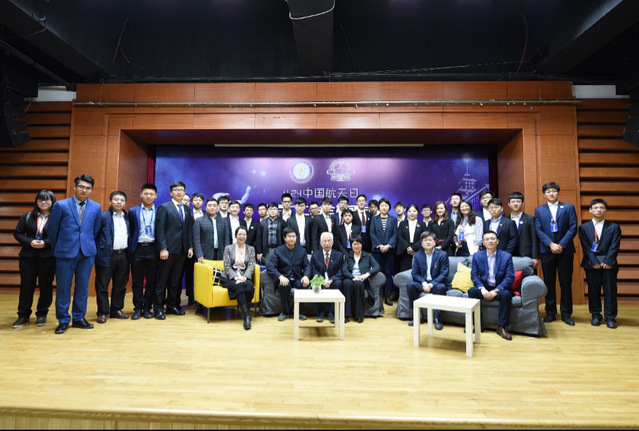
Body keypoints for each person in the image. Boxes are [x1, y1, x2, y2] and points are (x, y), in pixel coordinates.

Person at [48, 174, 102, 334]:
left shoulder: (96, 207)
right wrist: (60, 245)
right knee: (63, 288)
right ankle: (63, 320)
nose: (84, 190)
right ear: (75, 187)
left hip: (86, 253)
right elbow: (52, 229)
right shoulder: (61, 205)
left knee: (83, 287)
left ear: (91, 190)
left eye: (88, 188)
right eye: (81, 187)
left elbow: (95, 229)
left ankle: (78, 318)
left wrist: (86, 243)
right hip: (65, 252)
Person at [534, 181, 578, 326]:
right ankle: (550, 312)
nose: (551, 193)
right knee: (549, 282)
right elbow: (538, 229)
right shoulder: (539, 210)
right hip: (547, 251)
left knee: (566, 283)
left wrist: (561, 245)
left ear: (558, 192)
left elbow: (573, 227)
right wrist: (550, 244)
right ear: (544, 194)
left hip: (565, 251)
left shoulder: (569, 207)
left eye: (553, 191)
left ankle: (566, 314)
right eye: (548, 191)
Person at [12, 190, 56, 329]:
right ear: (36, 201)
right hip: (28, 257)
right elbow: (18, 233)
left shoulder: (57, 218)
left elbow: (61, 235)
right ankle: (23, 316)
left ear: (52, 202)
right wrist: (30, 241)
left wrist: (46, 243)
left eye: (47, 199)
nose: (44, 202)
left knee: (46, 286)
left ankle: (42, 314)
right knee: (26, 286)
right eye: (41, 199)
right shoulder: (27, 216)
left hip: (48, 257)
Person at [579, 199, 622, 329]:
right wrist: (594, 262)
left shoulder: (614, 227)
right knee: (593, 290)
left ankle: (610, 317)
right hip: (591, 264)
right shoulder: (583, 227)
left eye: (602, 207)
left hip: (609, 264)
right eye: (596, 207)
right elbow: (586, 247)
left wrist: (608, 261)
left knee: (610, 291)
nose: (599, 210)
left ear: (605, 210)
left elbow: (615, 246)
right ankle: (596, 315)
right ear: (590, 210)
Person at [154, 181, 194, 320]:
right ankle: (158, 308)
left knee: (175, 281)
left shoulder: (187, 209)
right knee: (162, 280)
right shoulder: (164, 207)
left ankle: (172, 306)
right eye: (176, 190)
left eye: (181, 190)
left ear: (184, 192)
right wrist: (163, 248)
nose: (179, 192)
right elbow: (160, 230)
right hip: (168, 251)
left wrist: (190, 247)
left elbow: (188, 230)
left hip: (182, 251)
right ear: (171, 193)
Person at [468, 230, 515, 340]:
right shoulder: (477, 256)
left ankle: (502, 327)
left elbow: (510, 277)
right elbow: (474, 275)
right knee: (472, 291)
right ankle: (477, 324)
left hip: (499, 288)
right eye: (487, 239)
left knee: (506, 295)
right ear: (483, 243)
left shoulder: (506, 256)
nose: (490, 241)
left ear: (497, 241)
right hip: (484, 287)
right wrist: (482, 289)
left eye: (492, 239)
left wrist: (496, 291)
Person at [94, 191, 130, 323]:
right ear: (110, 201)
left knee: (120, 284)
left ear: (125, 203)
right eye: (116, 199)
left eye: (122, 200)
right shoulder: (103, 216)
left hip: (123, 255)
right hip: (106, 255)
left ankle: (116, 310)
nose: (119, 202)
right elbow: (94, 235)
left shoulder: (127, 217)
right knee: (102, 285)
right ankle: (103, 312)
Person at [406, 232, 450, 328]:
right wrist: (423, 283)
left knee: (441, 287)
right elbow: (414, 273)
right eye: (425, 240)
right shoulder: (417, 255)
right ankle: (417, 316)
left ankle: (437, 318)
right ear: (422, 243)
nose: (428, 242)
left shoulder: (442, 255)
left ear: (435, 242)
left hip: (436, 283)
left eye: (430, 240)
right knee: (410, 285)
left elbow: (444, 273)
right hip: (423, 282)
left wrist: (431, 285)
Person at [266, 227, 311, 321]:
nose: (291, 238)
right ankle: (285, 312)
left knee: (304, 284)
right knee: (284, 285)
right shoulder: (278, 251)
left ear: (296, 237)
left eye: (293, 236)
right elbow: (271, 267)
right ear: (284, 238)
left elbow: (307, 266)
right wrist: (280, 277)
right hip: (285, 278)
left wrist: (306, 276)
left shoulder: (302, 251)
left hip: (298, 278)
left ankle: (298, 311)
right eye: (289, 236)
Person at [128, 183, 159, 320]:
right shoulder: (133, 211)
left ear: (156, 196)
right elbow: (131, 231)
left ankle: (147, 308)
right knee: (137, 281)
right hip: (138, 248)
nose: (148, 196)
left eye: (151, 194)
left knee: (151, 281)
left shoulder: (160, 211)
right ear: (141, 194)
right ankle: (137, 308)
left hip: (153, 248)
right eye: (146, 193)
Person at [222, 226, 256, 330]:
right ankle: (247, 316)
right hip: (230, 277)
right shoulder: (228, 248)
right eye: (240, 234)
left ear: (247, 236)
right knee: (239, 286)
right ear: (236, 235)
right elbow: (226, 266)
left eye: (244, 234)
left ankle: (246, 312)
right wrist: (236, 277)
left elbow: (251, 265)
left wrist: (245, 277)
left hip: (244, 276)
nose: (242, 236)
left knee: (249, 286)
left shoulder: (251, 249)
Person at [310, 232, 347, 323]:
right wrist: (322, 281)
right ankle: (320, 312)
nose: (327, 243)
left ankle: (331, 312)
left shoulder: (339, 255)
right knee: (316, 284)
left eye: (329, 241)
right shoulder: (315, 255)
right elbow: (313, 270)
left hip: (333, 279)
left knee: (338, 283)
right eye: (324, 241)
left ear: (332, 242)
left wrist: (331, 280)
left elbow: (340, 271)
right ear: (320, 243)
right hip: (320, 279)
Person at [342, 235, 380, 323]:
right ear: (351, 245)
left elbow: (377, 267)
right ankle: (346, 315)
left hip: (362, 279)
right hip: (350, 278)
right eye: (354, 244)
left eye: (358, 244)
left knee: (358, 284)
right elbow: (344, 270)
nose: (356, 246)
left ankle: (359, 315)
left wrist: (366, 275)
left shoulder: (368, 255)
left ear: (362, 245)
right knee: (347, 284)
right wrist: (353, 277)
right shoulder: (348, 256)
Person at [369, 197, 397, 306]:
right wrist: (380, 246)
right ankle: (379, 295)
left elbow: (395, 234)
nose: (384, 207)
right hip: (377, 251)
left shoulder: (393, 219)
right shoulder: (374, 219)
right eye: (382, 206)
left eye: (386, 205)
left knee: (388, 273)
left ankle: (387, 295)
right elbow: (372, 233)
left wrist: (388, 245)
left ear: (389, 207)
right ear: (379, 207)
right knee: (378, 273)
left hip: (389, 251)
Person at [183, 192, 205, 305]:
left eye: (200, 200)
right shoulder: (188, 214)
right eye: (195, 200)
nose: (197, 202)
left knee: (203, 272)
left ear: (203, 202)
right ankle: (190, 295)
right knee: (189, 272)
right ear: (192, 202)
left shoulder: (206, 214)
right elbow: (188, 232)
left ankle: (202, 295)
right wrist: (190, 247)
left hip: (203, 248)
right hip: (190, 248)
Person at [507, 192, 539, 267]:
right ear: (509, 204)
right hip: (510, 254)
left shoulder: (530, 219)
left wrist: (535, 257)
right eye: (513, 202)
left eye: (518, 201)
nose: (515, 204)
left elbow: (534, 238)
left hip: (527, 254)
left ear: (523, 203)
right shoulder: (506, 220)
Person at [396, 204, 427, 272]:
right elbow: (399, 236)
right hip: (405, 251)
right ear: (406, 212)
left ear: (418, 212)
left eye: (414, 211)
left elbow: (424, 237)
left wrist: (413, 248)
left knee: (418, 271)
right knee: (405, 272)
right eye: (409, 211)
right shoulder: (402, 223)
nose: (412, 213)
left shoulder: (422, 224)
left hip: (418, 251)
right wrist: (408, 247)